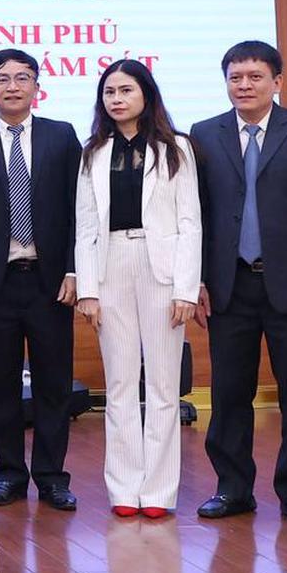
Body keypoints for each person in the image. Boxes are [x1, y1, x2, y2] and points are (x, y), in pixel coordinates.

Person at [193, 41, 287, 527]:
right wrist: (197, 279)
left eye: (255, 77)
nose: (244, 85)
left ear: (277, 82)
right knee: (228, 395)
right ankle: (233, 489)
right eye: (235, 77)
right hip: (228, 286)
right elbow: (197, 215)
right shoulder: (204, 134)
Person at [73, 59, 200, 519]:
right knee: (121, 382)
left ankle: (159, 491)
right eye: (109, 92)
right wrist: (88, 289)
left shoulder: (176, 148)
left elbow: (190, 223)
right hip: (111, 266)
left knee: (163, 384)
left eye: (126, 90)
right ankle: (124, 489)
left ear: (146, 94)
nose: (117, 99)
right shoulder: (93, 152)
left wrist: (186, 289)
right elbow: (85, 226)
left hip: (161, 268)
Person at [0, 49, 81, 512]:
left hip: (50, 283)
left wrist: (73, 269)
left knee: (53, 384)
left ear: (36, 86)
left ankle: (51, 477)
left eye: (22, 78)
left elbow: (79, 210)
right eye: (3, 78)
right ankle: (8, 473)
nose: (12, 86)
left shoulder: (61, 136)